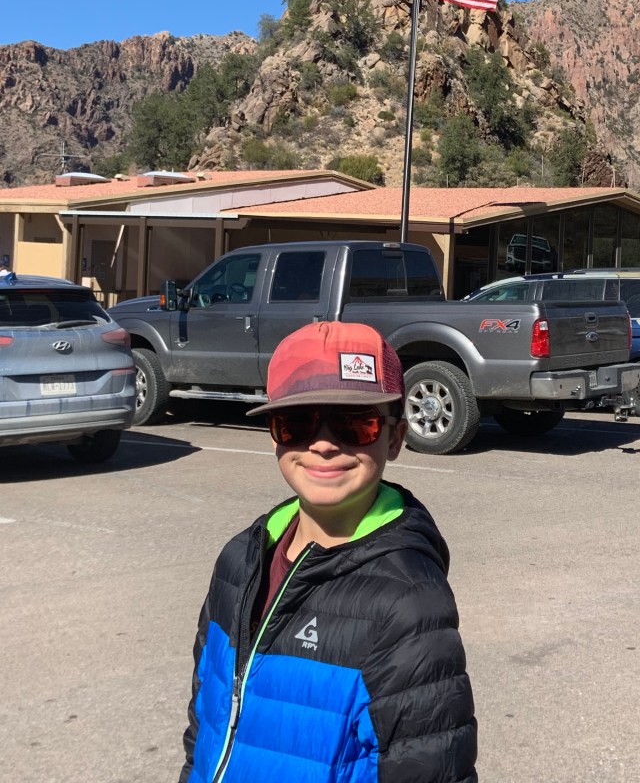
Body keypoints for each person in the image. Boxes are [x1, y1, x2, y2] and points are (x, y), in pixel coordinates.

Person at [179, 320, 477, 783]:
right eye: (296, 422)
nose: (321, 443)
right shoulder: (239, 559)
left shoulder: (407, 606)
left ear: (394, 438)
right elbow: (206, 718)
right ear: (274, 435)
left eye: (354, 423)